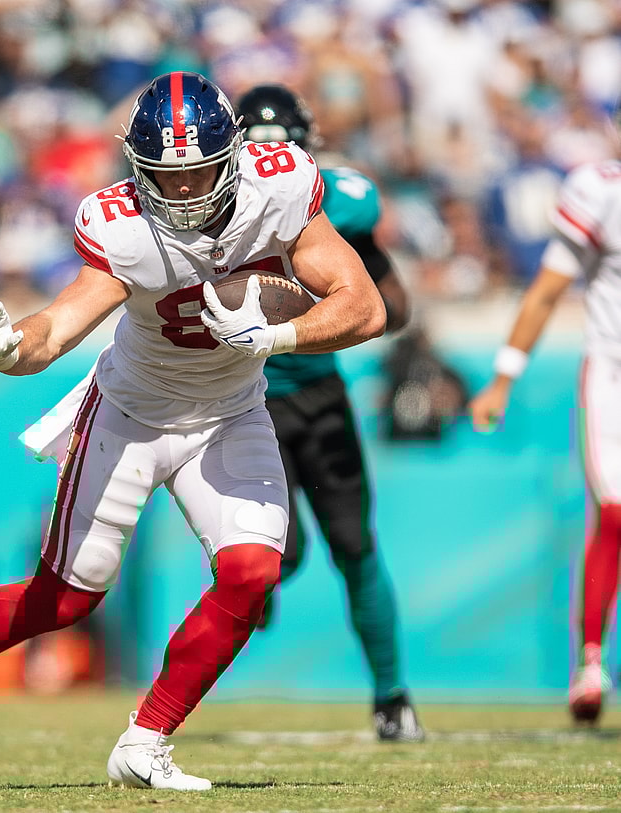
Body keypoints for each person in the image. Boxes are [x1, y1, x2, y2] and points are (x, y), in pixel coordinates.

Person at [0, 71, 385, 792]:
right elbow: (58, 326)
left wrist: (278, 335)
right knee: (65, 597)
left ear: (236, 156)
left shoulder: (280, 189)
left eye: (199, 175)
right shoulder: (122, 223)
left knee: (252, 574)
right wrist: (8, 347)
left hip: (230, 412)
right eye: (165, 177)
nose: (183, 192)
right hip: (132, 413)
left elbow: (364, 307)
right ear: (138, 168)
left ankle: (147, 738)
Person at [235, 84, 424, 743]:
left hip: (318, 395)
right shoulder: (208, 204)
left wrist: (350, 300)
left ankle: (392, 696)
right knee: (273, 556)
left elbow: (391, 301)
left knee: (354, 545)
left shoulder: (342, 202)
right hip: (245, 398)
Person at [469, 140, 621, 726]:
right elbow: (547, 291)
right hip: (611, 371)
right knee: (613, 512)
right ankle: (591, 661)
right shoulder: (600, 190)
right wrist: (503, 378)